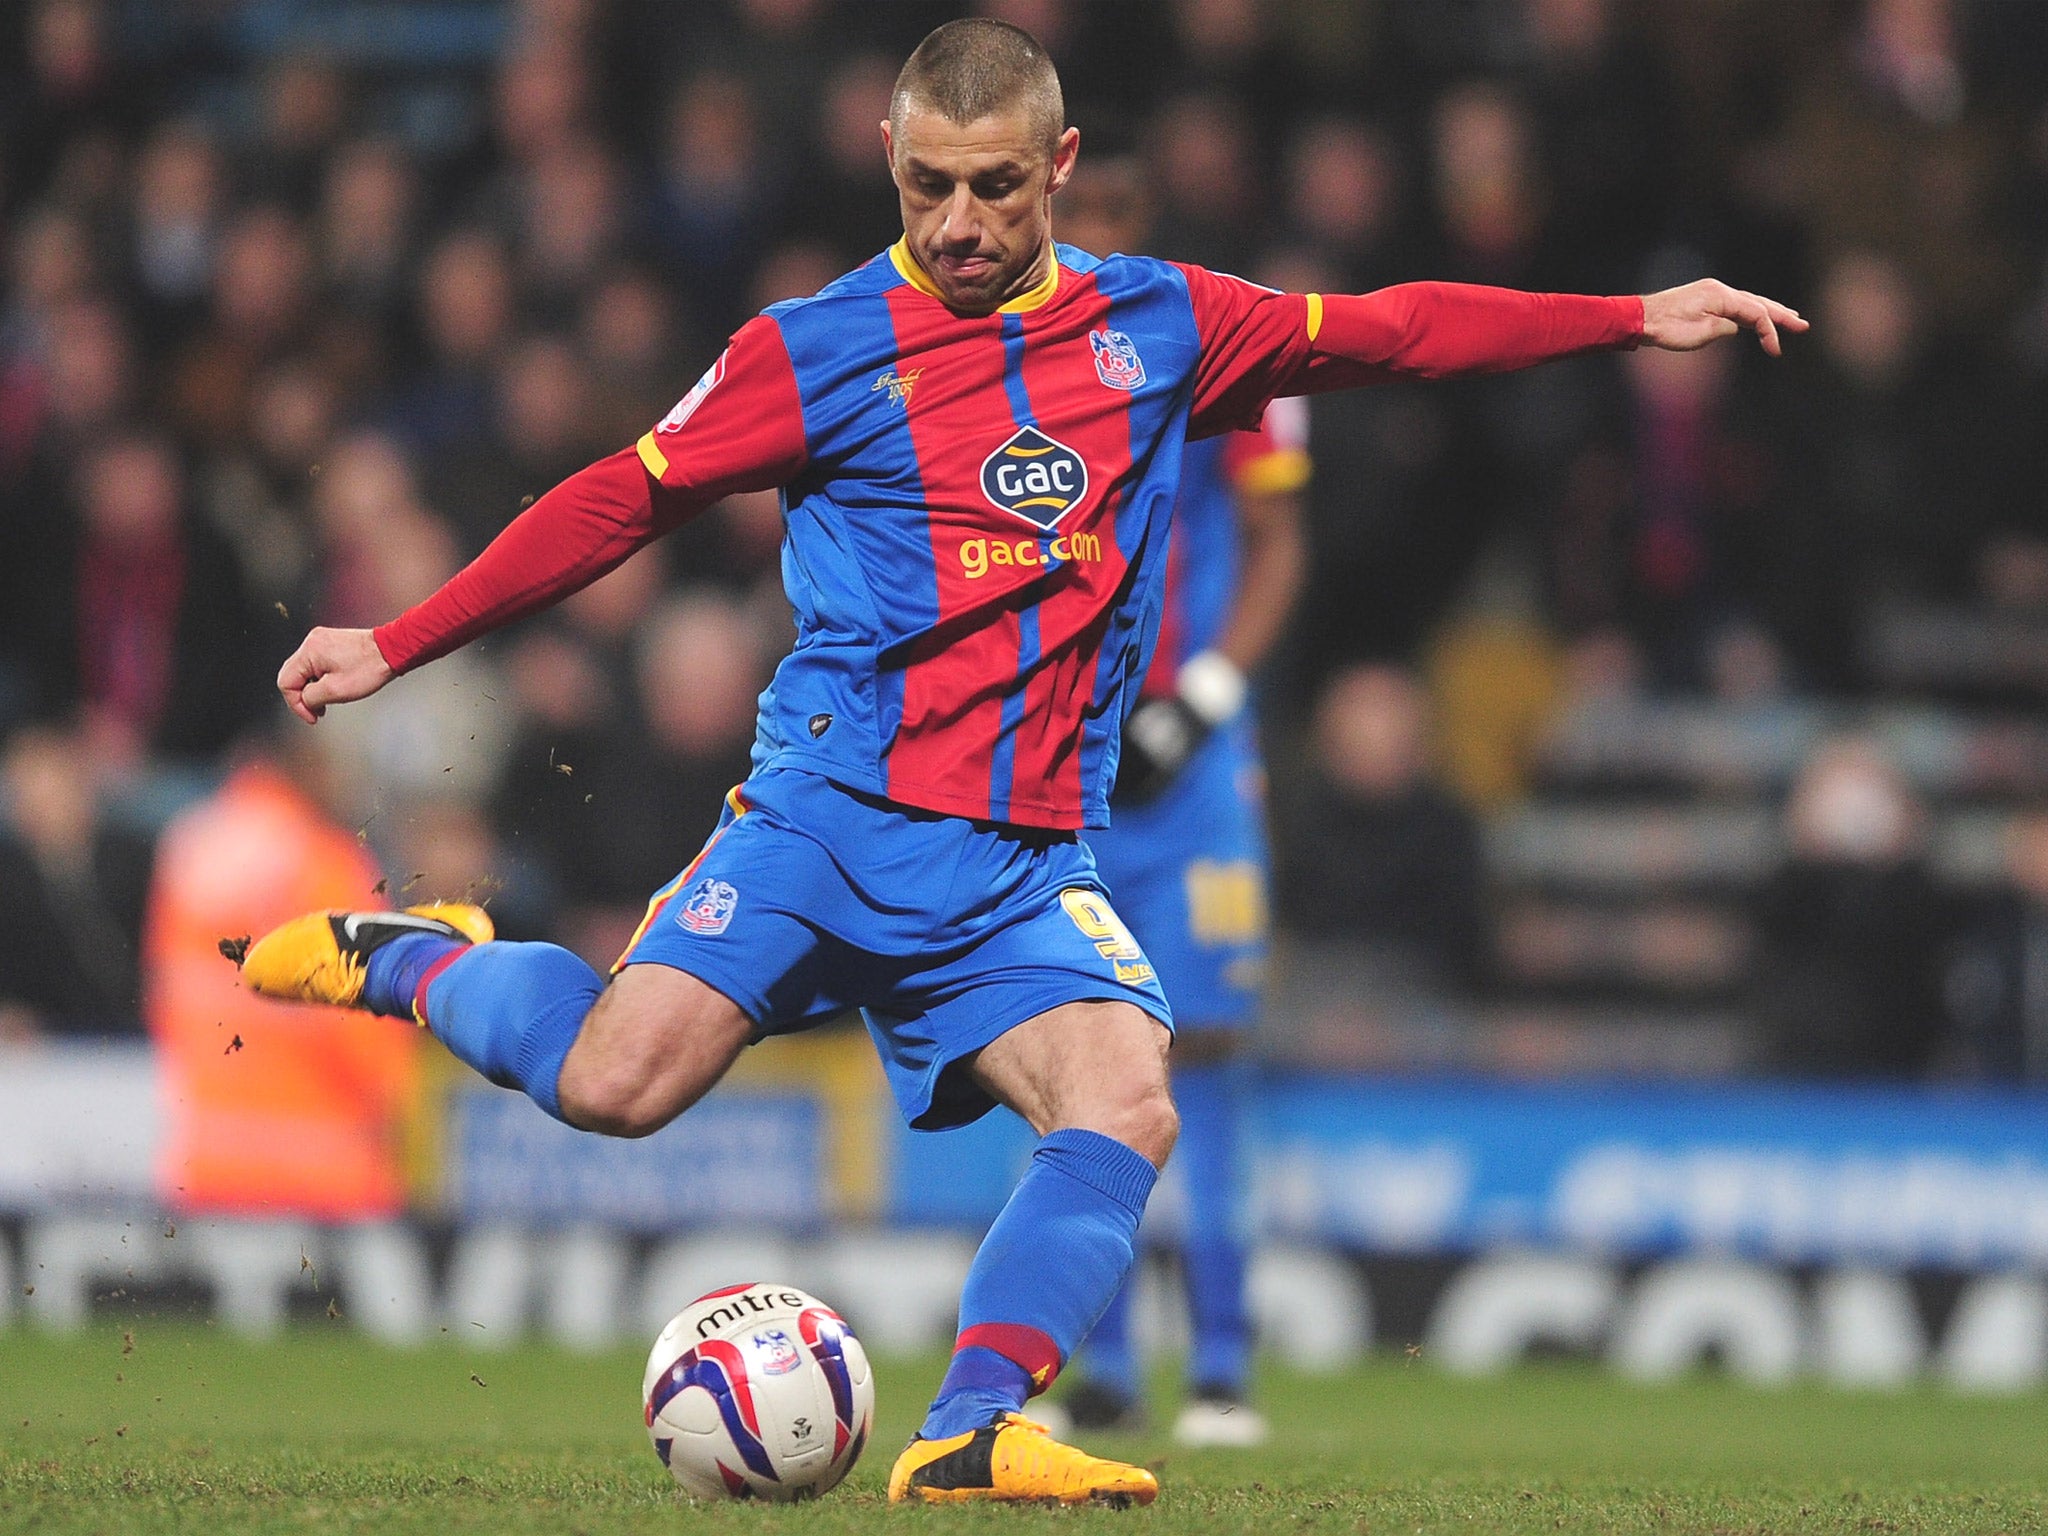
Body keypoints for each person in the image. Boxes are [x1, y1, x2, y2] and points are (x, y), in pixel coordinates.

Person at [236, 18, 1803, 1506]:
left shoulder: (1161, 324)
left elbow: (1390, 333)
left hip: (1014, 867)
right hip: (824, 822)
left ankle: (972, 1431)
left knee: (1127, 1099)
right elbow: (618, 498)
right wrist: (401, 640)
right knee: (612, 1086)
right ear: (887, 156)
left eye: (996, 185)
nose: (962, 220)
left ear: (1058, 166)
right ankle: (419, 961)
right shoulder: (813, 346)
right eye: (929, 184)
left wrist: (1626, 319)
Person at [1051, 158, 1309, 1447]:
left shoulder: (1223, 357)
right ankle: (1096, 1367)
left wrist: (1203, 699)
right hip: (1059, 758)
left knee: (1203, 1055)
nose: (1091, 243)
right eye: (1075, 222)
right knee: (1061, 1051)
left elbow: (1279, 545)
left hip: (1192, 767)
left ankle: (1220, 1367)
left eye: (1113, 223)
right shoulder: (1011, 368)